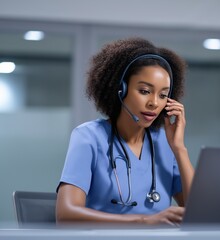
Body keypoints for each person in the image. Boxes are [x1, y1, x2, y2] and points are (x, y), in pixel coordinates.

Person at [56, 37, 194, 226]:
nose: (154, 102)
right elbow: (65, 215)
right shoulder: (88, 137)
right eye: (145, 91)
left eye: (163, 95)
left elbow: (197, 213)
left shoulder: (165, 143)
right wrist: (144, 221)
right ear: (121, 89)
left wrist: (179, 149)